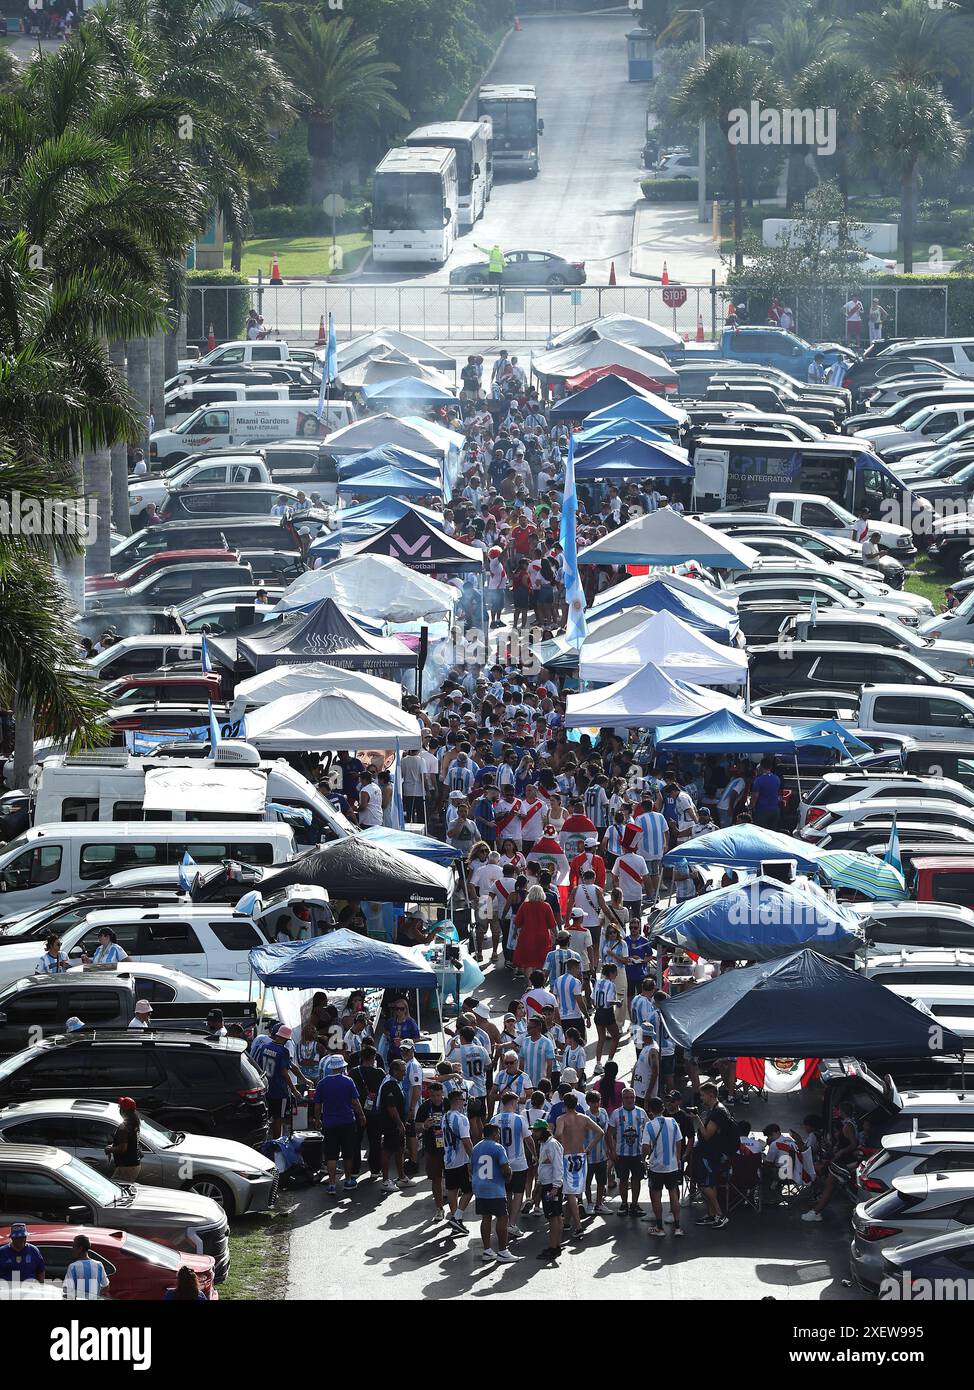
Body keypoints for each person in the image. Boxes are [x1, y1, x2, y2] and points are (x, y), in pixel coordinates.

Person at [553, 1092, 604, 1240]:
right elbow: (600, 1132)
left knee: (570, 1193)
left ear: (564, 1104)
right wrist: (588, 1148)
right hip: (581, 1156)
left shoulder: (561, 1118)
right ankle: (567, 1222)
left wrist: (562, 1144)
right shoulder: (584, 1118)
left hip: (567, 1156)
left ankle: (578, 1226)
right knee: (574, 1192)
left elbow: (557, 1133)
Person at [314, 1054, 366, 1196]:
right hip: (347, 1121)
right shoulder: (348, 1082)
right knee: (348, 1154)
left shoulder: (322, 1083)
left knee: (331, 1156)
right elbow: (355, 1102)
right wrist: (361, 1115)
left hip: (329, 1123)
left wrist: (317, 1119)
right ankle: (348, 1181)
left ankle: (332, 1184)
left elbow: (318, 1105)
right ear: (343, 1067)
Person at [802, 1101, 860, 1221]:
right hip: (844, 1160)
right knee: (833, 1186)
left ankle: (816, 1212)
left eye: (837, 1109)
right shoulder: (851, 1123)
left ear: (842, 1111)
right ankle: (816, 1211)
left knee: (830, 1186)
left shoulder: (847, 1126)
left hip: (843, 1161)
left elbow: (853, 1144)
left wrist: (840, 1152)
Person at [470, 1123, 518, 1262]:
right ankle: (503, 1251)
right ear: (493, 1134)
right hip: (495, 1188)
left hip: (479, 1187)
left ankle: (487, 1250)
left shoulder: (476, 1147)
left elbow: (470, 1166)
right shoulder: (498, 1148)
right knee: (503, 1217)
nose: (499, 1136)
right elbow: (506, 1168)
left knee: (486, 1218)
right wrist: (508, 1178)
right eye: (497, 1133)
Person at [692, 1081, 735, 1228]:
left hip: (711, 1154)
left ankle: (720, 1214)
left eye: (703, 1095)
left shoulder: (718, 1112)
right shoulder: (715, 1109)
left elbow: (707, 1134)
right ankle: (711, 1215)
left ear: (711, 1095)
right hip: (710, 1153)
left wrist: (696, 1117)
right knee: (710, 1184)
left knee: (705, 1185)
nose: (701, 1098)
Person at [641, 1097, 684, 1238]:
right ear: (663, 1108)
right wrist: (677, 1158)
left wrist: (644, 1158)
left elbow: (646, 1147)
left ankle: (660, 1228)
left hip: (656, 1167)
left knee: (656, 1196)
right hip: (671, 1166)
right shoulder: (672, 1122)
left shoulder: (649, 1126)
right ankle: (677, 1227)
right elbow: (679, 1141)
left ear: (651, 1111)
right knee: (674, 1196)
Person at [607, 1089, 648, 1218]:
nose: (630, 1100)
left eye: (632, 1097)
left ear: (635, 1098)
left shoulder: (641, 1113)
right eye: (627, 1098)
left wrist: (647, 1153)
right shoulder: (616, 1113)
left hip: (637, 1154)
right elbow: (608, 1134)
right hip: (621, 1154)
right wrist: (612, 1151)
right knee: (623, 1180)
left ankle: (634, 1204)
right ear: (622, 1099)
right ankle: (624, 1204)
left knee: (636, 1179)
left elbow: (648, 1131)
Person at [443, 1087, 474, 1233]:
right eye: (463, 1100)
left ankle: (456, 1220)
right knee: (469, 1190)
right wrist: (473, 1159)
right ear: (457, 1101)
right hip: (460, 1160)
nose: (465, 1102)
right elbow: (467, 1142)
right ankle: (457, 1217)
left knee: (452, 1190)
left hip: (448, 1159)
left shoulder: (445, 1117)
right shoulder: (461, 1118)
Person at [533, 1119, 565, 1260]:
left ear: (543, 1131)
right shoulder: (544, 1144)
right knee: (555, 1216)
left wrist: (555, 1186)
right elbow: (543, 1165)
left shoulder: (551, 1145)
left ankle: (553, 1247)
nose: (534, 1133)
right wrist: (539, 1183)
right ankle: (556, 1245)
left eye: (536, 1130)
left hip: (552, 1185)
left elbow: (558, 1165)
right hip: (548, 1184)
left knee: (553, 1217)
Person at [377, 1059, 410, 1191]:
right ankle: (385, 1181)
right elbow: (391, 1107)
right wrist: (399, 1123)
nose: (404, 1074)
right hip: (390, 1124)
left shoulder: (395, 1082)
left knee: (400, 1149)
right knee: (387, 1150)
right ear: (395, 1071)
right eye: (402, 1072)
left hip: (397, 1123)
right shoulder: (389, 1084)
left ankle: (401, 1177)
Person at [416, 1080, 449, 1214]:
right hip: (432, 1148)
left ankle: (455, 1211)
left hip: (448, 1148)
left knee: (452, 1178)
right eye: (433, 1096)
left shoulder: (448, 1104)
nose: (436, 1098)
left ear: (442, 1095)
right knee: (436, 1178)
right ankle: (439, 1208)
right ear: (429, 1095)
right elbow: (416, 1128)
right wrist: (424, 1125)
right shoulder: (424, 1107)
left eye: (438, 1095)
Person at [512, 883, 557, 975]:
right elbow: (552, 924)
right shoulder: (546, 906)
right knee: (541, 961)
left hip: (526, 936)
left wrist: (514, 932)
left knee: (528, 962)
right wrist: (556, 936)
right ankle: (539, 985)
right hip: (543, 937)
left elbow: (517, 922)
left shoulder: (525, 906)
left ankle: (529, 985)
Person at [63, 1234, 111, 1300]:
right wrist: (95, 1295)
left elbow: (67, 1289)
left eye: (74, 1246)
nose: (72, 1249)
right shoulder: (99, 1265)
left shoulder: (73, 1267)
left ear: (80, 1248)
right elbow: (106, 1286)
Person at [593, 962, 620, 1070]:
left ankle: (598, 1063)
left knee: (601, 1038)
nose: (617, 975)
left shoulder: (597, 982)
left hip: (598, 1012)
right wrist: (617, 1002)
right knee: (616, 1036)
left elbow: (593, 999)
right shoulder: (611, 985)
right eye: (616, 972)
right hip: (607, 1013)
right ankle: (609, 1060)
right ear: (611, 973)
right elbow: (609, 1001)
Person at [110, 1096, 143, 1185]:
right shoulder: (135, 1123)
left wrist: (109, 1149)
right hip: (133, 1165)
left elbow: (123, 1148)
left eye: (120, 1107)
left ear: (123, 1110)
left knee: (116, 1188)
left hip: (126, 1166)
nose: (119, 1109)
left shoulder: (124, 1127)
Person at [750, 758, 782, 830]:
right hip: (775, 809)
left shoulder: (759, 780)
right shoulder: (776, 778)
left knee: (761, 833)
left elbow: (755, 796)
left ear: (761, 766)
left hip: (762, 810)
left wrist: (751, 806)